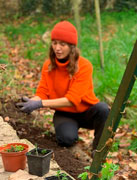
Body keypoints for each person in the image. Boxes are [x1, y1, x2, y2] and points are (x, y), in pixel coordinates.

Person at [16, 21, 110, 153]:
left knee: (104, 109)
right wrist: (31, 102)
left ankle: (98, 151)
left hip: (87, 111)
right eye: (54, 43)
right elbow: (42, 92)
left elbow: (73, 99)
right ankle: (70, 133)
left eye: (62, 44)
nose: (57, 48)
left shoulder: (84, 66)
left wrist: (39, 104)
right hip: (65, 113)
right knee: (66, 140)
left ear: (71, 47)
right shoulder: (48, 65)